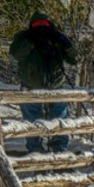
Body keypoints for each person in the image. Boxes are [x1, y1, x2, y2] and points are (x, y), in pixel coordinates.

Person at [9, 13, 74, 153]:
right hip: (31, 86)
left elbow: (74, 59)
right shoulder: (24, 37)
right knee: (33, 120)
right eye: (38, 26)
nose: (41, 29)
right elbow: (16, 54)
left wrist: (65, 43)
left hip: (55, 85)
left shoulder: (56, 38)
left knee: (59, 119)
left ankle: (59, 149)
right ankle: (35, 150)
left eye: (44, 26)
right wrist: (31, 41)